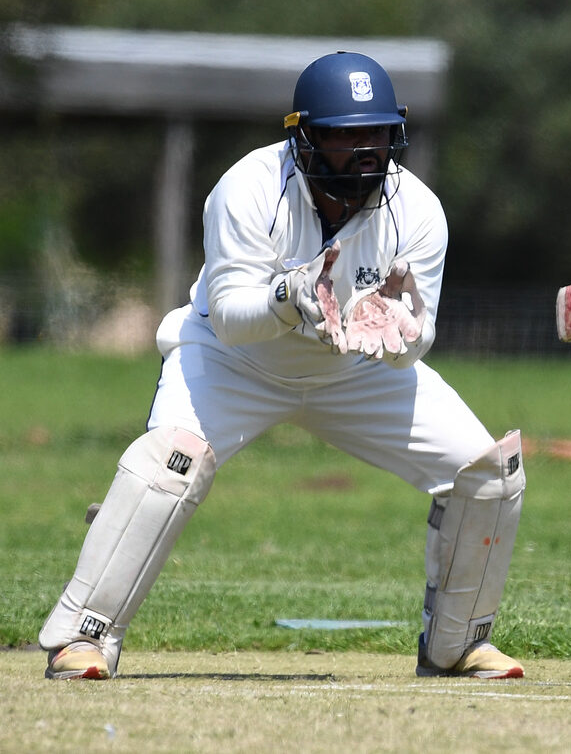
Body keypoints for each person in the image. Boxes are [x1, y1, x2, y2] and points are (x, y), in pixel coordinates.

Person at [40, 51, 526, 681]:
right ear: (305, 137)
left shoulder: (420, 211)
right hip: (230, 361)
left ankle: (457, 644)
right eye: (346, 135)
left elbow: (418, 336)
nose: (365, 151)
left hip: (353, 371)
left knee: (490, 472)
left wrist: (404, 335)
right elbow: (233, 316)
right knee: (169, 463)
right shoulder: (247, 188)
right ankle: (83, 635)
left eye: (376, 133)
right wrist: (289, 298)